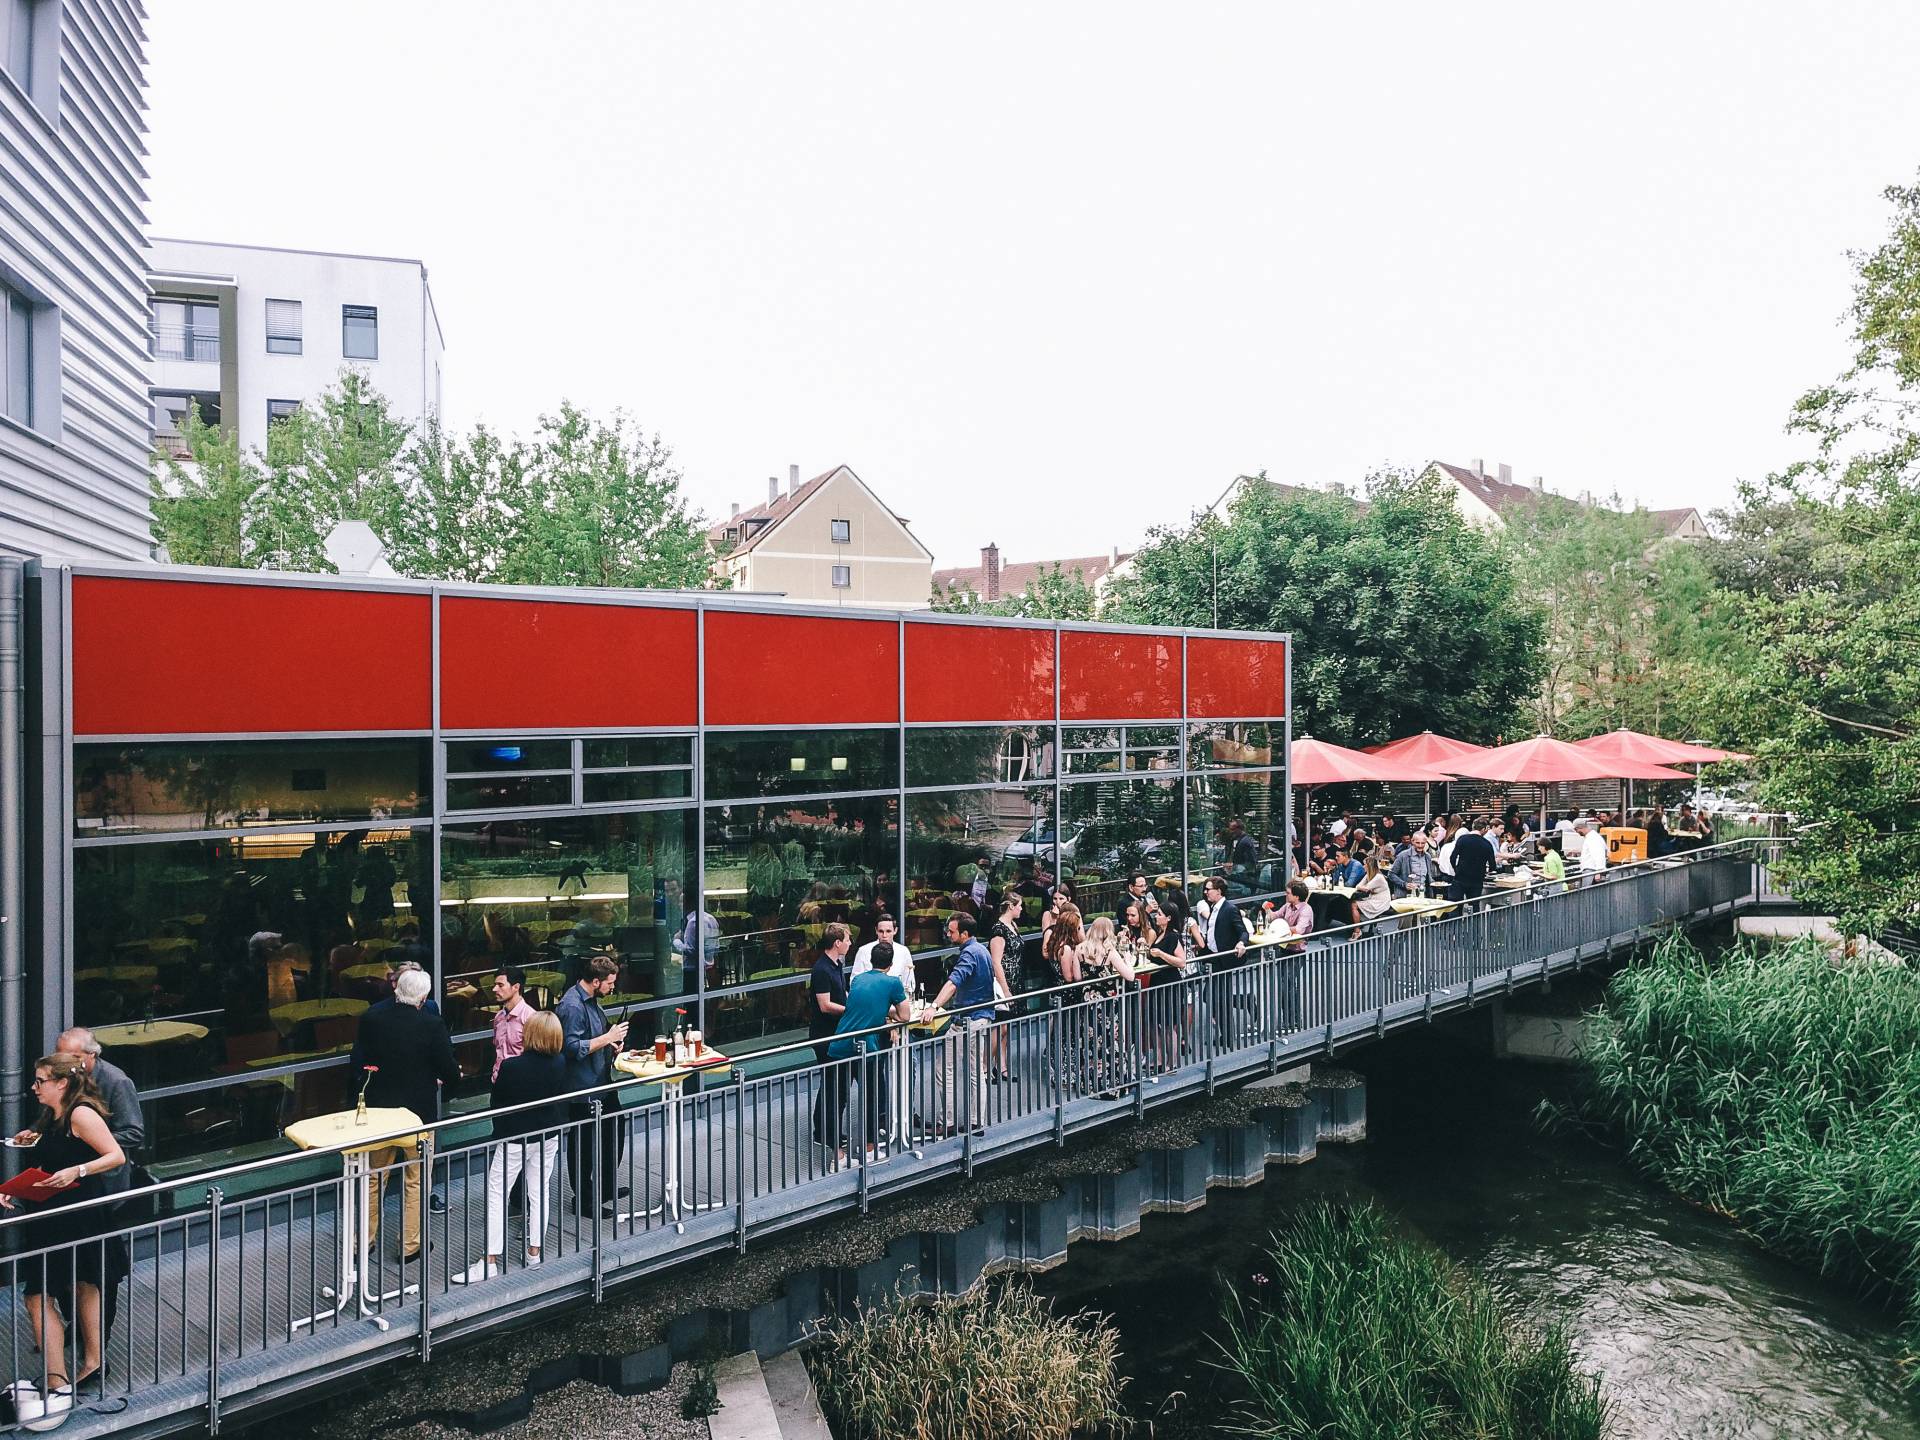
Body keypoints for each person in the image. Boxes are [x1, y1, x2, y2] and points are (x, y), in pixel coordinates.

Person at [2, 1054, 128, 1419]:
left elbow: (115, 1155)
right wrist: (16, 1186)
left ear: (62, 1083)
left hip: (77, 1214)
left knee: (40, 1295)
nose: (33, 1087)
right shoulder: (53, 1115)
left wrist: (79, 1169)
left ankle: (57, 1382)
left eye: (40, 1081)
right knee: (82, 1284)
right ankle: (89, 1363)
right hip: (56, 1213)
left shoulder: (81, 1114)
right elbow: (53, 1159)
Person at [349, 968, 460, 1258]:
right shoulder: (431, 1024)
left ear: (397, 989)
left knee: (373, 1177)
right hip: (418, 1114)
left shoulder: (372, 1017)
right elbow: (448, 1068)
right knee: (418, 1177)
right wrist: (447, 1079)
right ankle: (410, 1245)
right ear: (423, 997)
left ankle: (364, 1242)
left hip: (380, 1112)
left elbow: (358, 1060)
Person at [454, 1012, 569, 1285]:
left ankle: (491, 1259)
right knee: (539, 1191)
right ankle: (534, 1252)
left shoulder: (511, 1066)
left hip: (515, 1137)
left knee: (497, 1194)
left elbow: (498, 1102)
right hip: (547, 1136)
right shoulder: (560, 1062)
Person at [16, 1030, 145, 1193]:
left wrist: (88, 1139)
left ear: (92, 1054)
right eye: (60, 1056)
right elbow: (54, 1120)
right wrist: (34, 1131)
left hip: (98, 1181)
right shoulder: (55, 1087)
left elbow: (134, 1133)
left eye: (74, 1057)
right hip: (59, 1181)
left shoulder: (116, 1082)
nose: (65, 1063)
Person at [554, 957, 629, 1219]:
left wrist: (611, 1042)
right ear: (596, 981)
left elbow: (593, 1038)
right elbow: (572, 1048)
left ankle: (605, 1186)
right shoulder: (572, 1006)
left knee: (613, 1131)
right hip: (582, 1088)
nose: (612, 987)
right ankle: (584, 1199)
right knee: (583, 1146)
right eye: (609, 983)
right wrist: (608, 1038)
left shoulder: (591, 1002)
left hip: (600, 1080)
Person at [826, 942, 912, 1161]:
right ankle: (870, 1149)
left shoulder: (857, 979)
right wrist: (889, 1012)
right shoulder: (893, 982)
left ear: (872, 960)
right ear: (891, 964)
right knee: (871, 1097)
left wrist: (883, 1010)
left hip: (840, 1043)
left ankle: (838, 1155)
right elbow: (905, 1016)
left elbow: (862, 1005)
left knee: (838, 1100)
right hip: (865, 1047)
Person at [930, 914, 1008, 1134]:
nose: (948, 934)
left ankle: (948, 1121)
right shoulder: (981, 950)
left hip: (968, 1019)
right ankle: (976, 1121)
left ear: (964, 934)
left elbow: (954, 982)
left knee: (943, 1068)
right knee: (976, 1071)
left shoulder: (969, 954)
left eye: (952, 931)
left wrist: (934, 1006)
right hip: (982, 1017)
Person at [807, 923, 852, 1150]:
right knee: (835, 1084)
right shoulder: (822, 969)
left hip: (836, 1033)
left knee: (835, 1083)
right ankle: (826, 1132)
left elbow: (841, 994)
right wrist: (851, 1010)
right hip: (826, 1036)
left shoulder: (835, 965)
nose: (850, 943)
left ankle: (825, 1129)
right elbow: (824, 1005)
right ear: (837, 943)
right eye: (847, 939)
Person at [985, 894, 1025, 1081]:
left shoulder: (1012, 926)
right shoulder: (998, 930)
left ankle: (1001, 1066)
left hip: (1015, 979)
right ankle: (984, 1065)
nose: (1021, 909)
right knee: (999, 1028)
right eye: (1019, 906)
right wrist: (1005, 988)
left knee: (1006, 1027)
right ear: (1010, 906)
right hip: (1004, 982)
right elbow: (996, 961)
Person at [489, 965, 536, 1082]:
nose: (494, 989)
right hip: (498, 1080)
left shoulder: (530, 1018)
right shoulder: (499, 1017)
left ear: (516, 987)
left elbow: (536, 1057)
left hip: (520, 1081)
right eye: (495, 985)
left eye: (500, 985)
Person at [851, 916, 916, 983]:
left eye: (888, 931)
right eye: (881, 931)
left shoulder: (903, 951)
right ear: (876, 931)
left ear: (895, 930)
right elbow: (855, 981)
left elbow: (909, 981)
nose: (884, 935)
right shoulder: (863, 951)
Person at [1447, 819, 1496, 901]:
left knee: (1455, 904)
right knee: (1474, 905)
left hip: (1460, 877)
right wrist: (1486, 871)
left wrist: (1456, 870)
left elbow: (1452, 857)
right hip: (1477, 879)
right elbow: (1492, 865)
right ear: (1483, 829)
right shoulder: (1487, 844)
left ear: (1473, 827)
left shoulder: (1462, 839)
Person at [1387, 830, 1434, 898]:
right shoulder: (1403, 855)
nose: (1420, 846)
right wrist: (1404, 884)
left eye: (1423, 843)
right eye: (1417, 843)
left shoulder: (1428, 857)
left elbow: (1428, 877)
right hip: (1406, 896)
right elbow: (1391, 874)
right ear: (1412, 841)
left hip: (1423, 895)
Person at [1354, 851, 1393, 929]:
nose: (1363, 866)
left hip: (1381, 902)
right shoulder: (1368, 875)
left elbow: (1366, 888)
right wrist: (1363, 888)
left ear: (1369, 866)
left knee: (1353, 905)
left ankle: (1357, 930)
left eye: (1364, 864)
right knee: (1352, 903)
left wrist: (1364, 888)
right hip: (1374, 899)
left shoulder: (1379, 877)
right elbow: (1358, 886)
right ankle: (1356, 924)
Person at [1576, 817, 1610, 882]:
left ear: (1578, 828)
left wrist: (1599, 871)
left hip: (1592, 871)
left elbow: (1599, 854)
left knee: (1589, 891)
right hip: (1591, 870)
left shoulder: (1593, 838)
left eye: (1576, 830)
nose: (1577, 832)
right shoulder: (1592, 836)